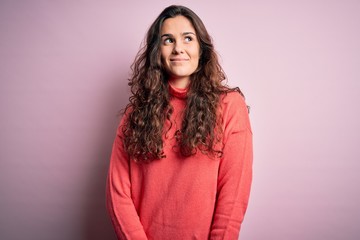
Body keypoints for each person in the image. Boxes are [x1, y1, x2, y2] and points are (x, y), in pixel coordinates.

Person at [106, 5, 253, 240]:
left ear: (201, 48)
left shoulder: (229, 106)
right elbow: (118, 193)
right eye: (168, 40)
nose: (178, 49)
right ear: (157, 52)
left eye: (187, 38)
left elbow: (233, 196)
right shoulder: (136, 112)